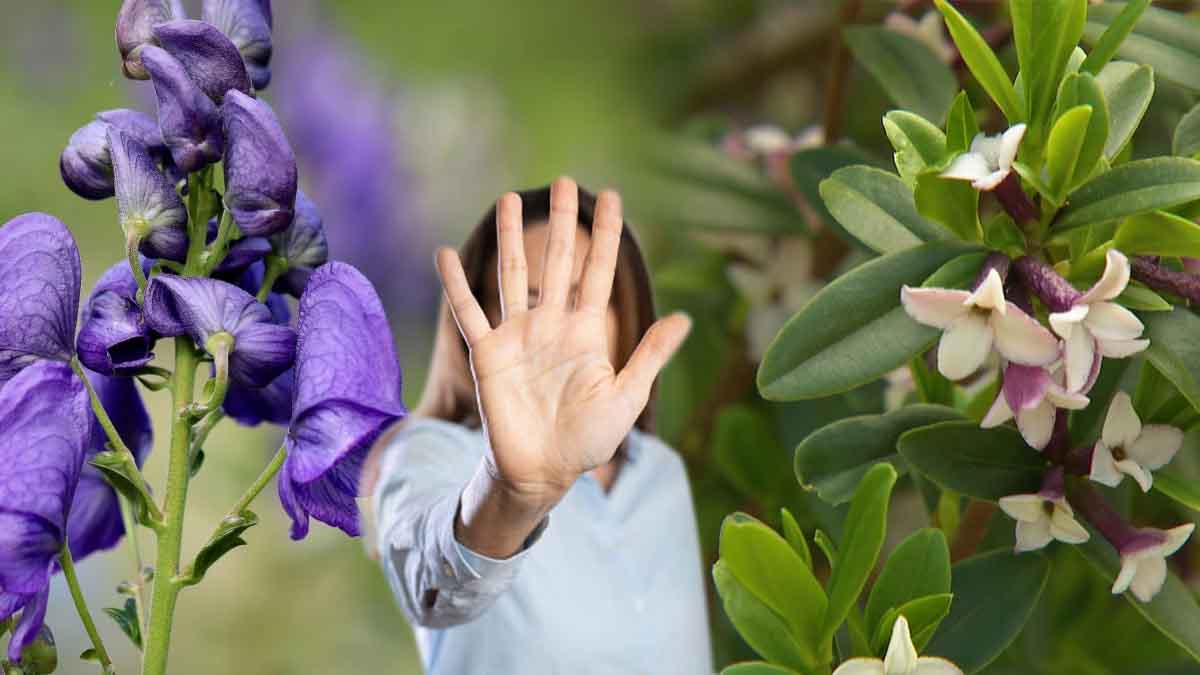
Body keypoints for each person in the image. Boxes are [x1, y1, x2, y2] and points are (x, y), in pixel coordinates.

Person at [367, 178, 713, 674]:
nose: (555, 335)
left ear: (622, 314)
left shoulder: (661, 473)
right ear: (476, 322)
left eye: (581, 299)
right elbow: (429, 585)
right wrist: (512, 497)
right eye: (526, 302)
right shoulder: (429, 453)